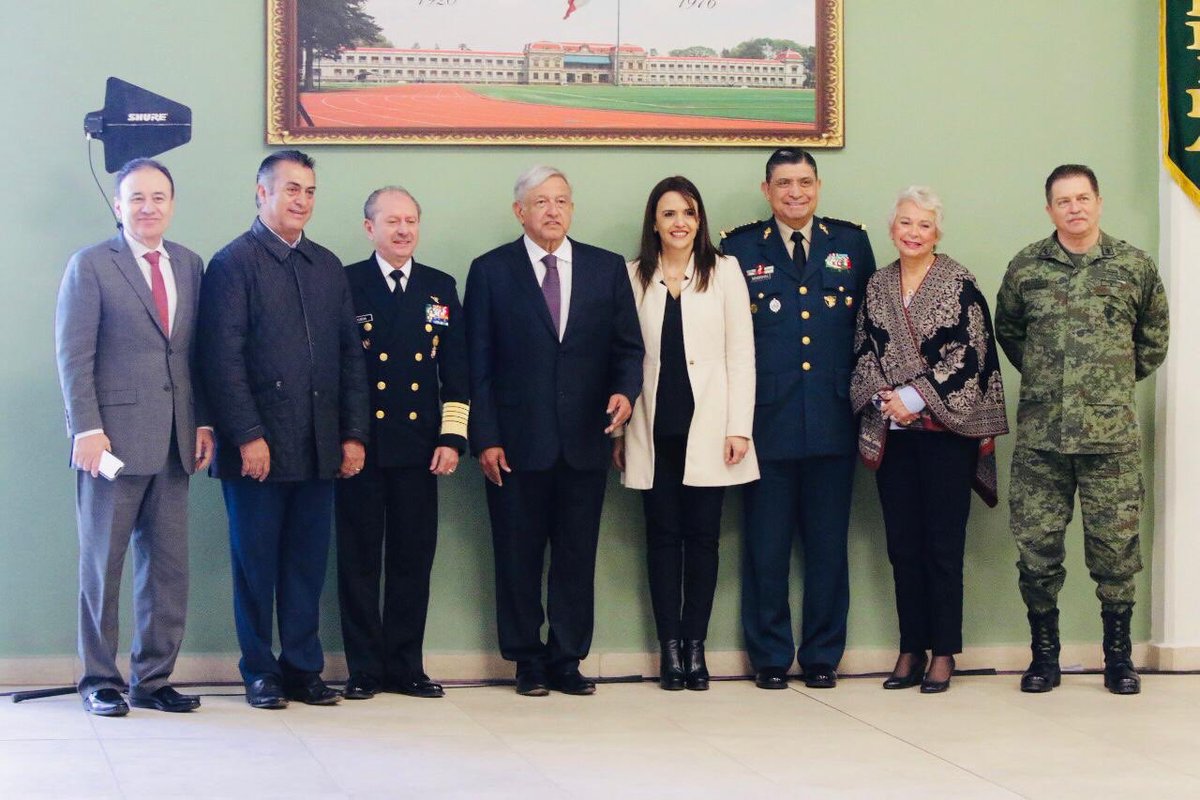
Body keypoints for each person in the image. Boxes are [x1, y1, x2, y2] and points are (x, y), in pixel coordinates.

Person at [199, 150, 370, 709]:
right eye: (291, 189)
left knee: (305, 565)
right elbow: (221, 360)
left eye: (310, 191)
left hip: (320, 445)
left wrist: (353, 434)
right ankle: (260, 671)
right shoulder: (232, 263)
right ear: (261, 192)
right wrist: (247, 435)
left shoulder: (326, 265)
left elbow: (349, 357)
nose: (301, 200)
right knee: (256, 568)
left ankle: (303, 667)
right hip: (259, 449)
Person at [464, 165, 643, 696]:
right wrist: (486, 438)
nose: (553, 211)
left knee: (575, 557)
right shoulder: (491, 271)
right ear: (520, 211)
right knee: (517, 556)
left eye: (562, 201)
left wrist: (625, 394)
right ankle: (526, 660)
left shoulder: (605, 268)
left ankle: (567, 658)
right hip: (515, 445)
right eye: (541, 202)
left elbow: (628, 350)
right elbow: (478, 366)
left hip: (585, 441)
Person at [995, 164, 1169, 695]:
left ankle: (1118, 659)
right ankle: (1043, 657)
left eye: (1083, 198)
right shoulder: (1027, 267)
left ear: (1098, 202)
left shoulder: (1134, 266)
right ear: (1049, 209)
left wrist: (1106, 385)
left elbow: (1154, 339)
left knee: (1115, 552)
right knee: (1038, 550)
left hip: (1110, 441)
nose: (1074, 208)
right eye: (1063, 201)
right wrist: (1056, 383)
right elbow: (1010, 331)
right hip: (1042, 440)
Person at [55, 158, 213, 716]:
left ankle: (153, 678)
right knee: (104, 565)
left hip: (174, 444)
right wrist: (87, 429)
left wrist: (202, 422)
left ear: (172, 204)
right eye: (137, 197)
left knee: (168, 568)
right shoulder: (92, 265)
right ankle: (99, 678)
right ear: (118, 206)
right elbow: (75, 355)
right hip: (110, 445)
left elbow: (193, 356)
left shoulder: (190, 265)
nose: (148, 207)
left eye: (159, 197)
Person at [721, 148, 876, 689]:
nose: (795, 193)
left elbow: (870, 332)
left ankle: (821, 657)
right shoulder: (739, 248)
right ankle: (768, 657)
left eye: (805, 182)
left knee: (828, 547)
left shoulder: (850, 243)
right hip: (765, 423)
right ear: (766, 190)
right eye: (784, 183)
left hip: (834, 421)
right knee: (765, 548)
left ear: (819, 185)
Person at [851, 186, 1008, 693]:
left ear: (936, 231)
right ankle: (909, 649)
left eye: (922, 224)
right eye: (904, 223)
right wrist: (885, 399)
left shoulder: (960, 284)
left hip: (947, 437)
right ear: (891, 228)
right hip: (894, 436)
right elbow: (862, 351)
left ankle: (944, 653)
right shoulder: (876, 286)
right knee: (903, 547)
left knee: (943, 547)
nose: (912, 233)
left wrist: (915, 397)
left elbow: (972, 357)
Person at [613, 176, 758, 691]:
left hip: (711, 428)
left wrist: (740, 426)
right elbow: (621, 358)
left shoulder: (724, 272)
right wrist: (618, 433)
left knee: (703, 539)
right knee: (662, 538)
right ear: (654, 221)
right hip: (652, 428)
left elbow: (742, 355)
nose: (680, 223)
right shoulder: (631, 276)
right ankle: (669, 649)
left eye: (689, 213)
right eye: (670, 213)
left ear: (700, 221)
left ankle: (696, 648)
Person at [337, 186, 468, 701]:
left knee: (414, 561)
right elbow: (341, 372)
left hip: (419, 448)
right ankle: (364, 669)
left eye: (411, 220)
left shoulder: (440, 288)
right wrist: (348, 438)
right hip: (362, 448)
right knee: (360, 561)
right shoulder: (346, 283)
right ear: (369, 228)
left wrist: (453, 437)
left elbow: (455, 373)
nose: (403, 230)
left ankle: (407, 666)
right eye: (391, 221)